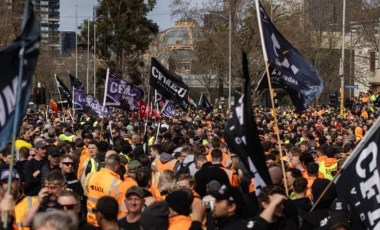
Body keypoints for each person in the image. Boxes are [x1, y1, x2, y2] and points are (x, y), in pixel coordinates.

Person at [84, 154, 123, 227]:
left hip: (90, 220)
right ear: (117, 167)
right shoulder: (117, 183)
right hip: (105, 223)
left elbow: (87, 191)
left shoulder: (91, 175)